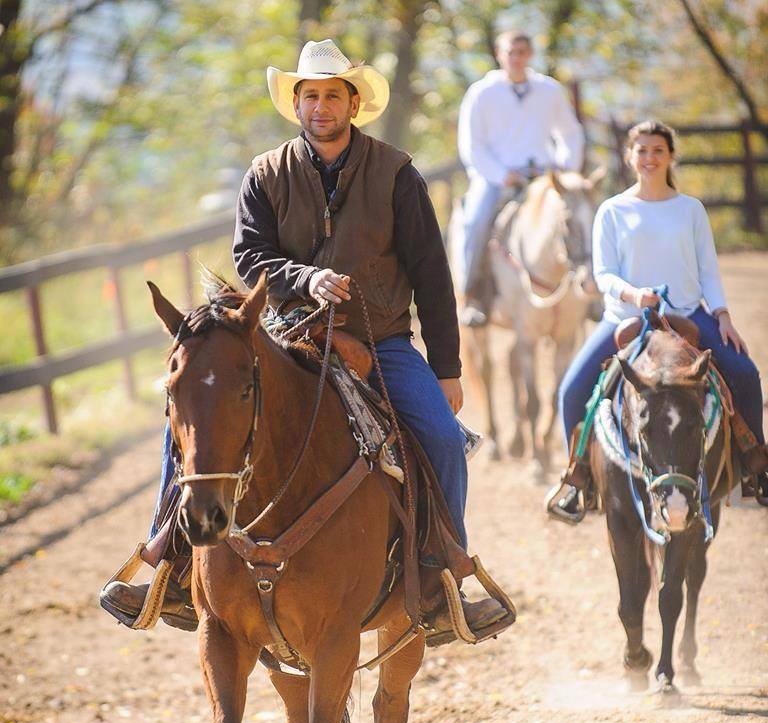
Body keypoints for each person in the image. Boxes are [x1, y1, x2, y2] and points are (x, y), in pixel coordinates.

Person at [101, 38, 506, 637]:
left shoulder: (397, 173)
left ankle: (443, 576)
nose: (321, 106)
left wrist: (446, 369)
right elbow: (250, 255)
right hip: (282, 333)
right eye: (310, 95)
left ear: (353, 103)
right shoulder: (265, 174)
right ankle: (173, 563)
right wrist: (305, 277)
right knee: (194, 418)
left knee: (444, 439)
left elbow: (432, 275)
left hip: (383, 340)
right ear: (296, 103)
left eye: (333, 96)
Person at [548, 119, 768, 522]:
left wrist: (722, 315)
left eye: (658, 151)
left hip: (687, 315)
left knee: (745, 373)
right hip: (627, 318)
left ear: (670, 157)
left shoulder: (690, 210)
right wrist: (634, 295)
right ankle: (579, 479)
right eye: (642, 151)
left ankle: (758, 470)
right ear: (630, 157)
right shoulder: (611, 211)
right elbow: (605, 275)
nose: (649, 158)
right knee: (572, 391)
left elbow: (709, 272)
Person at [456, 28, 584, 326]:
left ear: (530, 55)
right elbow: (471, 145)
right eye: (510, 52)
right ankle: (473, 295)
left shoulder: (549, 90)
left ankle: (590, 291)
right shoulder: (482, 93)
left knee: (581, 212)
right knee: (476, 221)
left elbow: (570, 133)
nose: (516, 58)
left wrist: (564, 169)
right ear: (500, 55)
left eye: (521, 52)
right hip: (495, 178)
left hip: (542, 175)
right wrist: (502, 174)